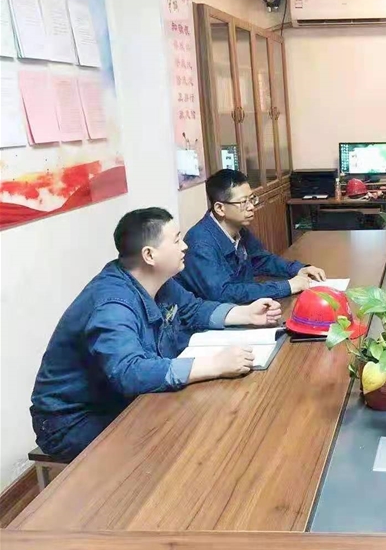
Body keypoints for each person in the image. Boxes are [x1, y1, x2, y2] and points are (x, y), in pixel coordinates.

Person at [30, 208, 282, 461]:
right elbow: (129, 372)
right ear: (149, 255)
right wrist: (214, 365)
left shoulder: (156, 280)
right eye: (176, 240)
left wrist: (245, 314)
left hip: (121, 399)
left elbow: (193, 309)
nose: (185, 246)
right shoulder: (113, 306)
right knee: (180, 442)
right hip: (74, 421)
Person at [177, 169, 326, 303]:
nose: (251, 207)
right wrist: (287, 286)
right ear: (220, 208)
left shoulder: (238, 228)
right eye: (243, 202)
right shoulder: (200, 244)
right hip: (214, 318)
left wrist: (298, 269)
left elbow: (261, 260)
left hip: (242, 309)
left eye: (252, 199)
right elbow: (223, 293)